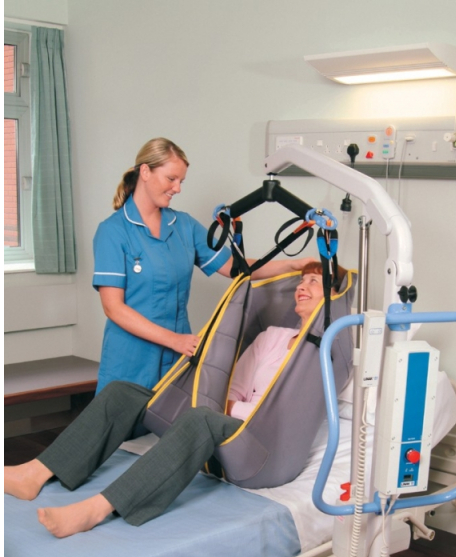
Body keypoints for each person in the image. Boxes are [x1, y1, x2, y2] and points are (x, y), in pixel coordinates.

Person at [5, 263, 341, 538]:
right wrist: (231, 408)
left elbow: (285, 414)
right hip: (228, 430)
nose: (302, 286)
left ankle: (96, 509)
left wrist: (233, 410)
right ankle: (33, 474)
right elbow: (233, 389)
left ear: (334, 295)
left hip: (262, 454)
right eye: (301, 280)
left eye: (314, 281)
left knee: (201, 418)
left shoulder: (326, 351)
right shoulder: (273, 336)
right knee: (123, 394)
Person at [92, 137, 312, 393]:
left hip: (175, 358)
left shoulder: (184, 226)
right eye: (171, 178)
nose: (177, 188)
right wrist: (174, 340)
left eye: (181, 181)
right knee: (122, 419)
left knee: (170, 418)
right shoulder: (113, 231)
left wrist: (295, 266)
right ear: (145, 171)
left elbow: (236, 268)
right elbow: (113, 308)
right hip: (130, 360)